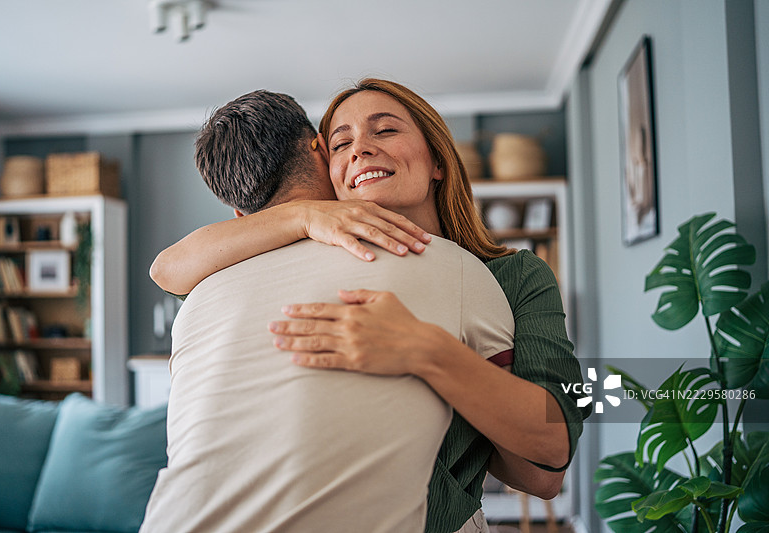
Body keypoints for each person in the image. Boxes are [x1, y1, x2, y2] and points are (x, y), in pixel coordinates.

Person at [150, 80, 590, 533]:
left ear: (437, 160)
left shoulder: (504, 278)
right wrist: (301, 215)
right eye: (341, 143)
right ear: (327, 170)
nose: (360, 150)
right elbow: (167, 267)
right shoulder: (268, 269)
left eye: (384, 131)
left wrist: (426, 351)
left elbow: (542, 470)